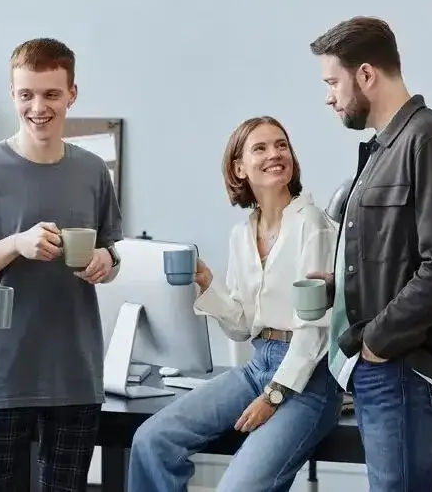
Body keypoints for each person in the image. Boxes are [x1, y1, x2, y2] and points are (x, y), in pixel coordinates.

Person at [307, 16, 432, 492]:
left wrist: (377, 342)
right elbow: (396, 254)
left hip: (401, 367)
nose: (329, 96)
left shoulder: (430, 141)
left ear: (366, 75)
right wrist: (338, 288)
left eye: (333, 82)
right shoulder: (387, 147)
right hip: (384, 366)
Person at [0, 38, 124, 492]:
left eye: (51, 94)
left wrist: (106, 260)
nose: (38, 107)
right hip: (0, 377)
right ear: (13, 94)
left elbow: (114, 251)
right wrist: (15, 245)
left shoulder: (94, 171)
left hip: (75, 375)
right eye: (27, 94)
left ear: (72, 94)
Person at [127, 116, 343, 492]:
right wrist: (208, 283)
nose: (275, 154)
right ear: (239, 168)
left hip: (309, 381)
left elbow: (314, 332)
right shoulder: (242, 234)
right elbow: (244, 326)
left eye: (281, 145)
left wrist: (274, 395)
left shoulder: (315, 225)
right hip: (258, 365)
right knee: (153, 441)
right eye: (260, 148)